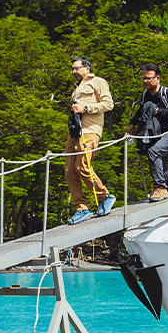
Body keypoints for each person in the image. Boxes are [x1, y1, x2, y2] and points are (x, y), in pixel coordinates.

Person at [64, 56, 116, 224]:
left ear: (87, 68)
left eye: (76, 68)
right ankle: (82, 208)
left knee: (82, 166)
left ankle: (104, 196)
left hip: (90, 131)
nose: (74, 71)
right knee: (70, 171)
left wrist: (85, 108)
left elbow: (108, 104)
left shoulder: (98, 81)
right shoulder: (77, 88)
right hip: (75, 133)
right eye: (72, 69)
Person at [127, 64, 168, 200]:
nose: (145, 81)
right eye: (144, 78)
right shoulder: (146, 94)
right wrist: (132, 124)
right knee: (163, 166)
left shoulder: (167, 93)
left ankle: (160, 187)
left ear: (157, 78)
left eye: (149, 78)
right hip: (156, 135)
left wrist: (158, 111)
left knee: (153, 151)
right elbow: (140, 110)